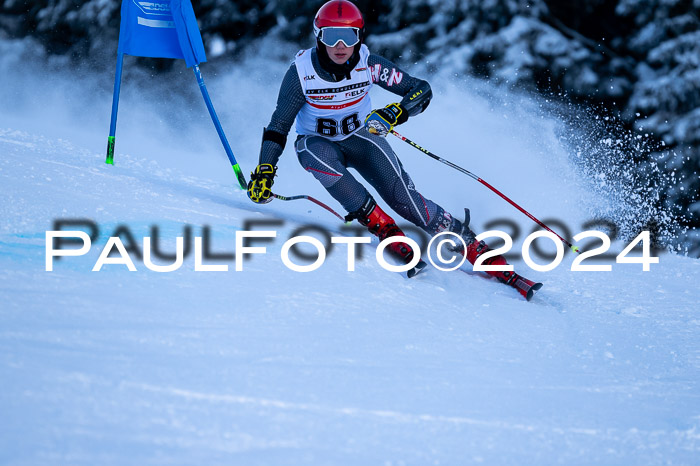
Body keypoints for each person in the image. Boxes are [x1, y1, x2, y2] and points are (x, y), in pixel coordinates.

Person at [247, 0, 542, 300]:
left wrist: (394, 113)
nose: (340, 45)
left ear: (360, 37)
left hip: (360, 137)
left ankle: (470, 244)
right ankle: (383, 228)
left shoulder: (370, 64)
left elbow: (420, 89)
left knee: (406, 202)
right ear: (317, 36)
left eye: (348, 37)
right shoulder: (300, 73)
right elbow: (278, 125)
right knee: (314, 154)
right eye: (330, 36)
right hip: (317, 143)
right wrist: (265, 171)